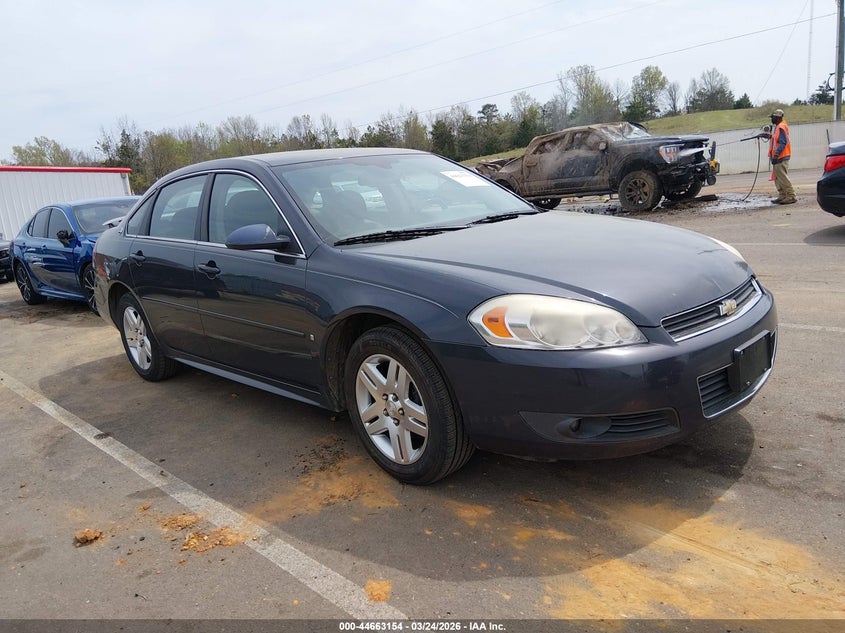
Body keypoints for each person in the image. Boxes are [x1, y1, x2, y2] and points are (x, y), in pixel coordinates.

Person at [768, 108, 796, 205]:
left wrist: (776, 155)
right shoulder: (777, 127)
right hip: (777, 158)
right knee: (777, 178)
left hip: (781, 157)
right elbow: (776, 140)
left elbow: (783, 142)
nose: (771, 119)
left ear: (778, 117)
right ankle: (783, 195)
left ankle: (791, 196)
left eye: (773, 117)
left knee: (782, 178)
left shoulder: (781, 127)